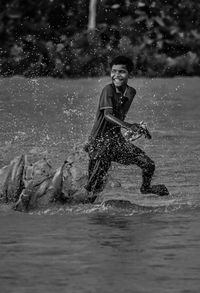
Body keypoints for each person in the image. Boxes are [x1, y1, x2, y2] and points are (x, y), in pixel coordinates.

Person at [83, 55, 169, 203]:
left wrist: (135, 129)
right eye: (114, 71)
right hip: (99, 144)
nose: (116, 75)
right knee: (92, 190)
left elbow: (119, 118)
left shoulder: (130, 92)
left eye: (121, 72)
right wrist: (128, 126)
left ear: (130, 74)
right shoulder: (107, 89)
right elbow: (108, 115)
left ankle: (146, 188)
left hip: (116, 142)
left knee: (148, 164)